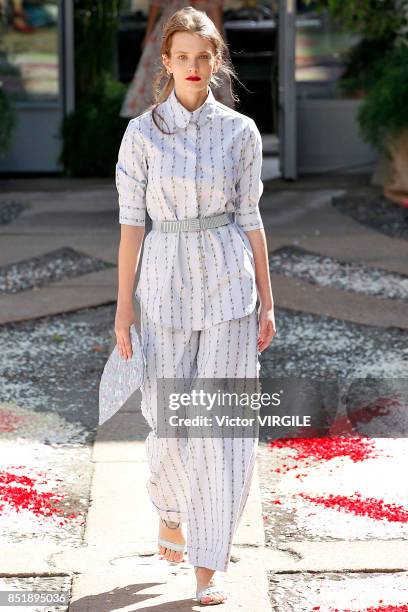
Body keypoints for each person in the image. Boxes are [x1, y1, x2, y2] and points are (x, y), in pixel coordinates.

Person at [114, 6, 276, 605]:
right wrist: (123, 306)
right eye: (181, 57)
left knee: (224, 428)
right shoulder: (141, 134)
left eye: (202, 57)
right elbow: (132, 223)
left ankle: (210, 564)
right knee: (172, 420)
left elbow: (251, 218)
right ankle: (172, 509)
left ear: (216, 62)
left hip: (230, 286)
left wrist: (267, 299)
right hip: (162, 286)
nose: (191, 67)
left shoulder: (241, 132)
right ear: (166, 63)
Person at [120, 0, 235, 117]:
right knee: (164, 76)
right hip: (172, 28)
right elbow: (155, 4)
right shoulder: (138, 127)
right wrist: (148, 34)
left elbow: (215, 6)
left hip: (202, 28)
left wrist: (219, 41)